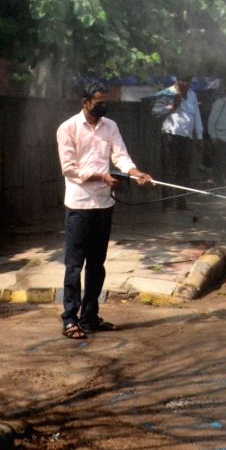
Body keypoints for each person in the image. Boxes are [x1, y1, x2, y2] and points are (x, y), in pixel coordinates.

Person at [56, 82, 153, 339]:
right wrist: (102, 176)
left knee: (97, 265)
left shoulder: (111, 127)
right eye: (99, 102)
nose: (103, 106)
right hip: (79, 205)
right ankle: (69, 320)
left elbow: (121, 157)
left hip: (104, 205)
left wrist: (135, 173)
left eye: (105, 102)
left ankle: (89, 317)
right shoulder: (68, 128)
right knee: (74, 266)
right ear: (85, 102)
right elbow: (69, 168)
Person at [151, 75, 204, 210]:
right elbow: (155, 111)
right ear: (178, 81)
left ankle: (181, 202)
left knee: (184, 171)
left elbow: (196, 115)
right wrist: (172, 106)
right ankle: (167, 204)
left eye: (189, 82)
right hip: (170, 135)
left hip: (186, 137)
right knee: (168, 170)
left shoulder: (192, 94)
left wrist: (199, 136)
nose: (186, 84)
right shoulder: (168, 93)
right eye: (183, 81)